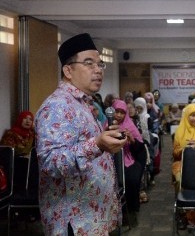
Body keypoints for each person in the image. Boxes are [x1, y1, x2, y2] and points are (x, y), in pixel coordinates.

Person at [35, 33, 127, 235]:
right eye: (89, 63)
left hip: (93, 219)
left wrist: (105, 140)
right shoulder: (57, 107)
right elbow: (50, 162)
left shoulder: (83, 104)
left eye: (100, 64)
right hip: (74, 224)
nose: (98, 70)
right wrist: (98, 145)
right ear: (68, 70)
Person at [111, 99, 146, 223]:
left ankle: (130, 210)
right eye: (116, 112)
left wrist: (131, 139)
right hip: (109, 160)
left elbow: (139, 149)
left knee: (132, 180)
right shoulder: (106, 125)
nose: (119, 115)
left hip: (127, 158)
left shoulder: (130, 125)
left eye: (122, 113)